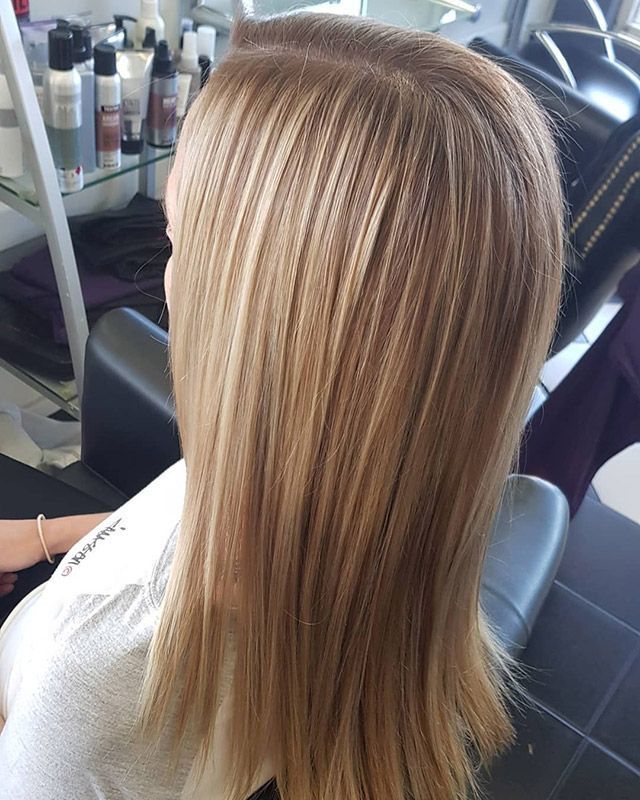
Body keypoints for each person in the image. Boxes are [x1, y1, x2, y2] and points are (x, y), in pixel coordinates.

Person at [0, 12, 564, 800]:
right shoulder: (384, 501)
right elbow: (204, 533)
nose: (168, 279)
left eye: (175, 240)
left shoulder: (95, 679)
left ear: (266, 325)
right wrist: (46, 535)